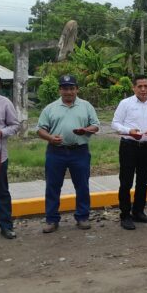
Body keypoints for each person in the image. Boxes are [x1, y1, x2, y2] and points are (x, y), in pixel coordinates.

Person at [37, 75, 100, 233]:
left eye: (72, 88)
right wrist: (50, 138)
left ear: (77, 89)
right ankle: (51, 220)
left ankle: (82, 217)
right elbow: (40, 129)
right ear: (60, 90)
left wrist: (86, 130)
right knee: (52, 186)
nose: (68, 92)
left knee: (82, 186)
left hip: (80, 151)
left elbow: (96, 125)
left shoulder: (86, 106)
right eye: (65, 88)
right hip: (55, 152)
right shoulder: (50, 108)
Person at [112, 75, 147, 230]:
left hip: (146, 147)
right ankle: (125, 215)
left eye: (146, 86)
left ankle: (139, 212)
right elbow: (115, 123)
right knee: (126, 182)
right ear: (133, 88)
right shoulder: (125, 103)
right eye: (139, 86)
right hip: (129, 146)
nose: (143, 89)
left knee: (143, 181)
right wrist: (129, 131)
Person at [0, 71, 19, 239]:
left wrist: (0, 132)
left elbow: (15, 125)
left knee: (1, 193)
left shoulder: (4, 103)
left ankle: (6, 227)